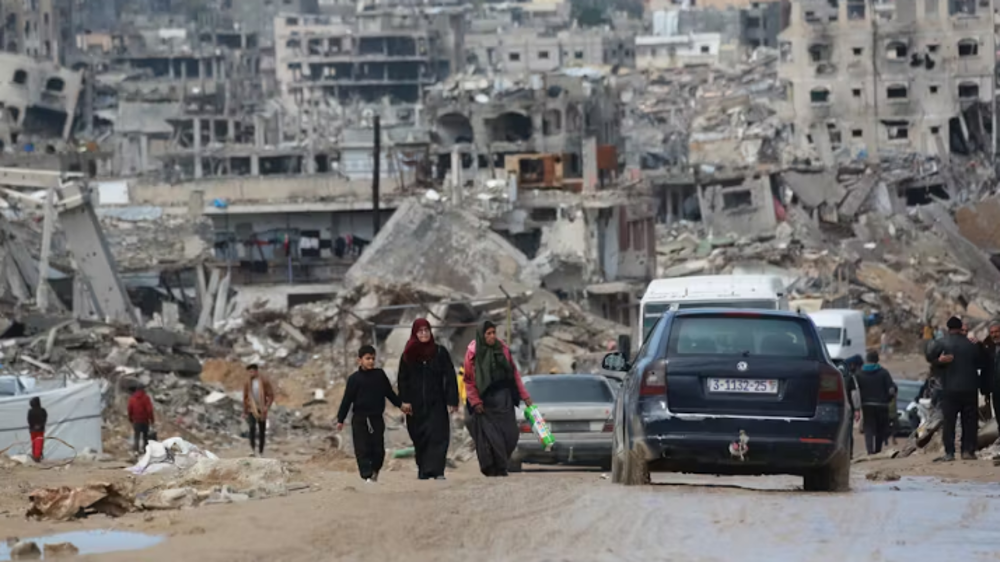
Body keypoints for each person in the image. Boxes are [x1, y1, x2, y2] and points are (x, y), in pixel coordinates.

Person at [463, 321, 533, 477]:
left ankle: (501, 463)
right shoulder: (473, 353)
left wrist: (524, 395)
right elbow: (468, 380)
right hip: (484, 401)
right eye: (488, 333)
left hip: (504, 398)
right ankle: (496, 468)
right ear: (482, 335)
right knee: (491, 437)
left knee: (511, 435)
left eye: (494, 332)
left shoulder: (503, 349)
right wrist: (475, 401)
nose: (492, 336)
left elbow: (514, 373)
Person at [397, 319, 459, 480]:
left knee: (438, 435)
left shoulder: (439, 352)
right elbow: (402, 379)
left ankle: (438, 471)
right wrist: (404, 401)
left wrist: (452, 400)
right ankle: (424, 469)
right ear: (415, 333)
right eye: (420, 331)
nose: (424, 334)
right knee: (420, 436)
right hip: (415, 405)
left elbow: (450, 376)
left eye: (426, 330)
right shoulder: (408, 355)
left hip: (436, 402)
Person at [926, 316, 989, 462]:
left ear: (948, 328)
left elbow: (930, 356)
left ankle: (950, 453)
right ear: (961, 328)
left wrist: (938, 362)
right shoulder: (971, 344)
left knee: (949, 422)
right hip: (970, 388)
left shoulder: (941, 343)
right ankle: (968, 451)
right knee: (970, 421)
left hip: (950, 389)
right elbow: (982, 363)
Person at [337, 345, 402, 483]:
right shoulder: (354, 379)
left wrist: (401, 405)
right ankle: (366, 476)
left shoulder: (379, 375)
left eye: (373, 358)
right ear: (359, 360)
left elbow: (389, 393)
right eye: (367, 358)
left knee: (378, 449)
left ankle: (375, 471)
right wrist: (340, 419)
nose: (371, 361)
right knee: (362, 448)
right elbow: (347, 400)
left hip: (376, 418)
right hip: (360, 419)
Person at [854, 350, 897, 455]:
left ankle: (869, 451)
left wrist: (857, 407)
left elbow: (855, 391)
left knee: (868, 428)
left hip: (867, 405)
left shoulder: (859, 374)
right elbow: (891, 389)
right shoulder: (883, 373)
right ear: (877, 360)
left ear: (866, 360)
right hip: (882, 405)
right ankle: (878, 450)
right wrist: (889, 399)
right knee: (880, 429)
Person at [242, 364, 275, 457]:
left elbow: (271, 395)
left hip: (262, 409)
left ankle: (261, 451)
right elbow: (245, 397)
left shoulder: (264, 381)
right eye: (249, 372)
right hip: (251, 409)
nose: (250, 373)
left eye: (252, 371)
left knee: (261, 431)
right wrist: (245, 411)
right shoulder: (247, 383)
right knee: (252, 429)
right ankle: (252, 450)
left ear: (256, 371)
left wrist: (266, 406)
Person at [127, 384, 155, 455]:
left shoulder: (132, 398)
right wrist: (151, 419)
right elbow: (149, 410)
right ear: (143, 389)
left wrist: (130, 418)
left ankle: (136, 450)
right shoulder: (146, 398)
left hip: (136, 420)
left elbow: (130, 409)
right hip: (145, 420)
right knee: (145, 436)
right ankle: (145, 450)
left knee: (137, 435)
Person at [27, 397, 47, 462]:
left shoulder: (30, 411)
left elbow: (29, 420)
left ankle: (35, 455)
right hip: (40, 430)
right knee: (39, 442)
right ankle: (37, 456)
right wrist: (39, 426)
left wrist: (33, 426)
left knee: (34, 442)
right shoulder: (42, 410)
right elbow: (44, 419)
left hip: (32, 430)